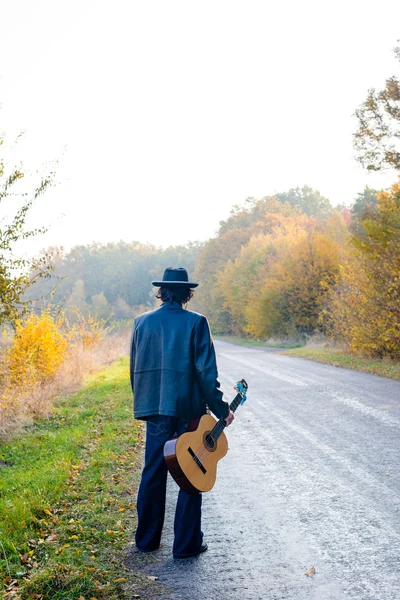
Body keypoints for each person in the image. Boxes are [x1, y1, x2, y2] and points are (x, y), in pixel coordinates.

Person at [130, 267, 234, 559]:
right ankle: (186, 545)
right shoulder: (197, 323)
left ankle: (146, 540)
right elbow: (205, 373)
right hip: (187, 409)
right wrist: (221, 409)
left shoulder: (141, 323)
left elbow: (134, 369)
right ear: (188, 293)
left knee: (153, 472)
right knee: (190, 470)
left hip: (154, 409)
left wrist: (145, 402)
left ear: (162, 292)